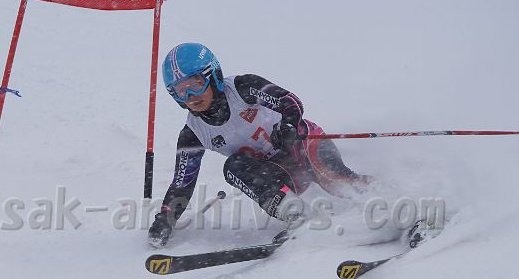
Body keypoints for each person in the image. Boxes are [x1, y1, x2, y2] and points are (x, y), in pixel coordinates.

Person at [148, 43, 371, 247]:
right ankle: (297, 216)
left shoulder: (242, 88)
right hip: (279, 173)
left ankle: (381, 197)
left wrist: (288, 125)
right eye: (181, 91)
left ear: (213, 75)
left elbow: (290, 101)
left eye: (195, 84)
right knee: (233, 167)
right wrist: (165, 218)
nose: (190, 96)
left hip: (304, 146)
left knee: (337, 182)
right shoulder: (193, 134)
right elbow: (182, 183)